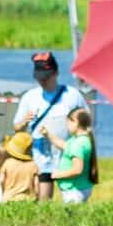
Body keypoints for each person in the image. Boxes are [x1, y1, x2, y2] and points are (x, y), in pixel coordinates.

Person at [12, 52, 89, 202]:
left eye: (46, 77)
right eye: (39, 78)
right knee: (43, 203)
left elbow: (86, 123)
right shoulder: (30, 97)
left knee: (73, 202)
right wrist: (24, 122)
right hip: (41, 158)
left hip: (67, 157)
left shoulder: (73, 95)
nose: (43, 81)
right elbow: (17, 127)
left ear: (56, 72)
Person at [49, 107, 96, 205]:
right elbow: (66, 146)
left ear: (76, 122)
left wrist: (58, 175)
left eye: (68, 123)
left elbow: (77, 170)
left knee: (72, 217)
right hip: (80, 187)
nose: (67, 126)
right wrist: (48, 135)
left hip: (74, 190)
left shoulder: (78, 144)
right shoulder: (81, 139)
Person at [0, 132, 38, 204]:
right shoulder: (33, 165)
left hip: (8, 199)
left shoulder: (8, 163)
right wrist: (37, 197)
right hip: (28, 200)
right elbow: (36, 184)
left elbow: (1, 180)